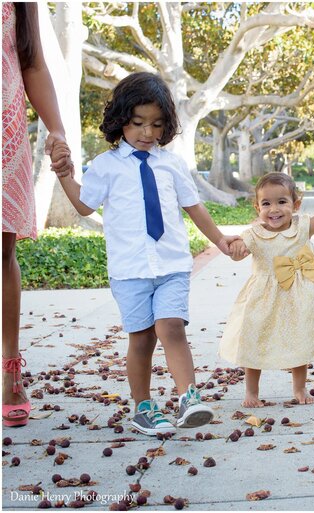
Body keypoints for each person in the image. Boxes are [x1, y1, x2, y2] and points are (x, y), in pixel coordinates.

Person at [54, 72, 241, 436]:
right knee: (142, 338)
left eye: (156, 124)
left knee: (172, 328)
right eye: (138, 123)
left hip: (171, 266)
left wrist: (220, 240)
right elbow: (84, 205)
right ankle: (143, 407)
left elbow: (194, 207)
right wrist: (65, 174)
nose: (147, 133)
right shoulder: (106, 165)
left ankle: (189, 398)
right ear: (120, 120)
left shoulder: (170, 164)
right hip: (130, 270)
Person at [219, 171, 314, 407]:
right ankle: (251, 392)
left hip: (298, 297)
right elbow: (237, 255)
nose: (274, 209)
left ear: (295, 204)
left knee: (299, 340)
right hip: (263, 299)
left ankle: (299, 388)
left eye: (282, 202)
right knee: (254, 341)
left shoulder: (302, 227)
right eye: (266, 203)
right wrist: (237, 249)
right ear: (257, 207)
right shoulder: (253, 235)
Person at [2, 2, 74, 427]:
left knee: (0, 250)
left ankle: (10, 369)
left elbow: (32, 64)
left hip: (4, 136)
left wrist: (57, 128)